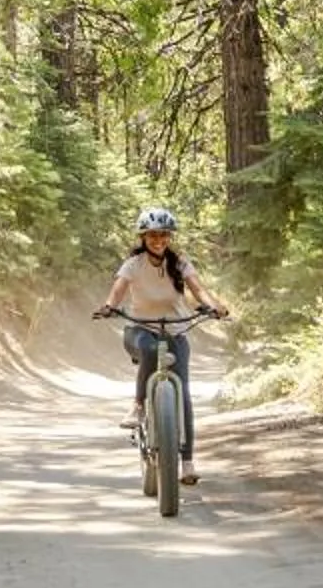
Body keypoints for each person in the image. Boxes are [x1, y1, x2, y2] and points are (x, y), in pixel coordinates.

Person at [93, 206, 229, 484]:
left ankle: (187, 463)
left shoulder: (179, 263)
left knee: (184, 395)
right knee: (150, 349)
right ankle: (138, 405)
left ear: (169, 237)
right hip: (140, 330)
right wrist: (109, 306)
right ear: (143, 237)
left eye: (164, 235)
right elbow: (119, 288)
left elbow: (197, 288)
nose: (158, 240)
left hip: (175, 332)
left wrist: (212, 306)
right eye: (152, 235)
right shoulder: (134, 264)